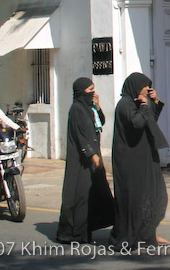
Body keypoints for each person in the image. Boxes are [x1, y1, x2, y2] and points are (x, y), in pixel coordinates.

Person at [109, 72, 169, 249]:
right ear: (135, 87)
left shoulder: (138, 103)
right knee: (134, 200)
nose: (147, 90)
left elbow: (150, 121)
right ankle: (130, 236)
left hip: (146, 156)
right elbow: (137, 123)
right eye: (144, 87)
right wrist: (144, 106)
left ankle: (147, 233)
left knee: (157, 196)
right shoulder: (125, 105)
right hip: (131, 161)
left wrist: (154, 103)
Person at [56, 78, 114, 244]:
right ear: (81, 92)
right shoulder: (76, 109)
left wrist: (98, 106)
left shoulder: (89, 108)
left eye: (94, 89)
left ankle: (90, 227)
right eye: (90, 90)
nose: (93, 93)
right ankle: (73, 233)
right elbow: (80, 136)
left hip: (92, 159)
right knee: (79, 196)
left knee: (96, 193)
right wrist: (92, 155)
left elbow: (99, 123)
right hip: (81, 162)